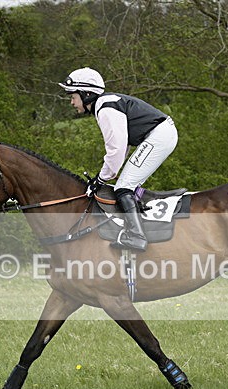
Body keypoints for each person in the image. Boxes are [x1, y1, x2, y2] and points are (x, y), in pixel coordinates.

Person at [59, 67, 178, 252]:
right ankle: (138, 223)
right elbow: (121, 148)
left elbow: (116, 150)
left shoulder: (105, 108)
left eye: (73, 96)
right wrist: (105, 176)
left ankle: (137, 237)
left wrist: (101, 179)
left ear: (87, 94)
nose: (71, 102)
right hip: (161, 134)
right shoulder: (106, 104)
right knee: (126, 184)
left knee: (123, 187)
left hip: (159, 135)